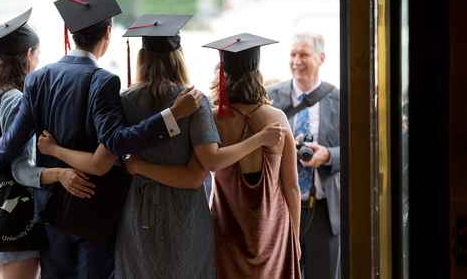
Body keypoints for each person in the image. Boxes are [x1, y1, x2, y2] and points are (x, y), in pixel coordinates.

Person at [0, 0, 203, 278]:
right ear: (108, 32)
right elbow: (117, 141)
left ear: (70, 35)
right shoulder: (103, 80)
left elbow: (12, 140)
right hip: (94, 210)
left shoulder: (38, 78)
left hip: (52, 210)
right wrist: (171, 116)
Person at [36, 17, 285, 279]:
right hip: (185, 216)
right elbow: (196, 175)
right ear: (178, 57)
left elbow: (101, 160)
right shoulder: (193, 101)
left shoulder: (123, 101)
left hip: (137, 212)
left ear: (142, 57)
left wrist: (55, 150)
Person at [0, 9, 91, 279]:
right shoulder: (13, 99)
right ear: (29, 54)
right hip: (15, 213)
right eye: (38, 54)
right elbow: (21, 168)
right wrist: (60, 174)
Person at [200, 33, 301, 278]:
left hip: (226, 231)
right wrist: (294, 238)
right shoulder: (277, 118)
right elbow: (292, 188)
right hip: (273, 234)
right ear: (258, 74)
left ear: (223, 75)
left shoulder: (213, 119)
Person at [267, 32, 340, 279]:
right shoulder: (271, 97)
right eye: (293, 54)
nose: (297, 61)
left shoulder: (338, 99)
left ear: (321, 58)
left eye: (304, 54)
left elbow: (357, 148)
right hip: (281, 207)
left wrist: (328, 155)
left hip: (322, 208)